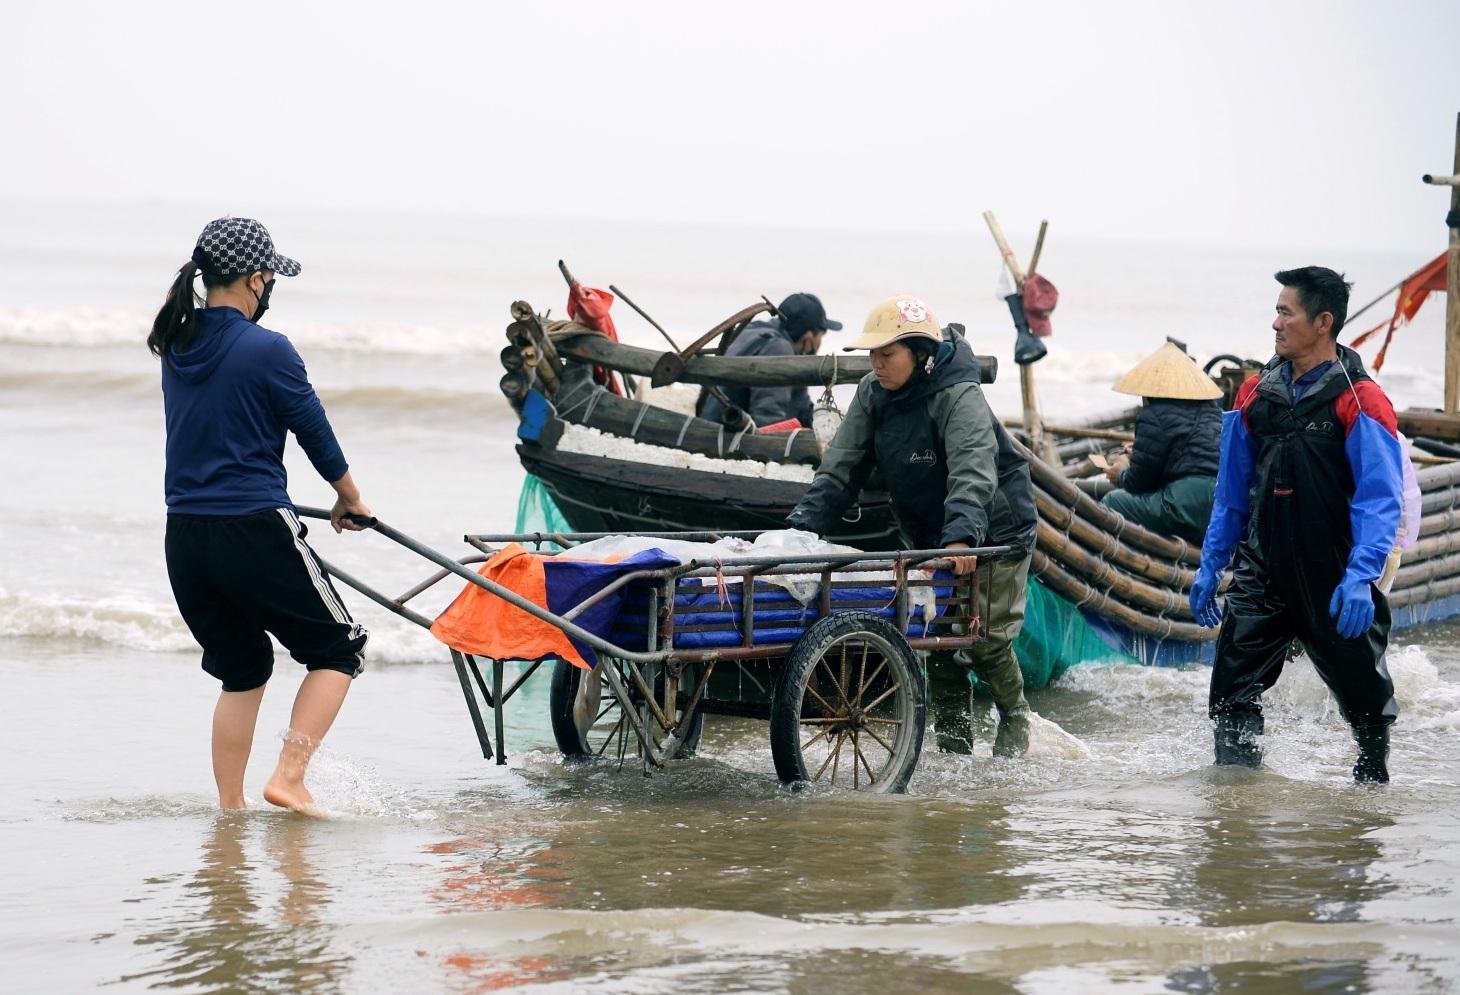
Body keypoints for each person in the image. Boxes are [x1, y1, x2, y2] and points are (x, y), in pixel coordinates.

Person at [149, 217, 373, 814]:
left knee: (243, 670)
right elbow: (314, 433)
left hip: (186, 537)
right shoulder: (269, 349)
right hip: (253, 526)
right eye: (270, 278)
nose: (270, 289)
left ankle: (231, 809)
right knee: (338, 648)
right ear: (254, 280)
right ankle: (289, 778)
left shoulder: (178, 343)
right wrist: (350, 499)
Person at [787, 295, 1038, 757]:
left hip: (994, 529)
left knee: (984, 640)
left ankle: (1015, 716)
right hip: (926, 529)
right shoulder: (871, 393)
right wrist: (799, 531)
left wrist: (962, 535)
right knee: (936, 640)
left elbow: (972, 471)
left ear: (920, 354)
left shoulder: (957, 393)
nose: (876, 364)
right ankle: (954, 747)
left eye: (887, 355)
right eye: (871, 355)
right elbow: (840, 469)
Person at [1189, 266, 1404, 783]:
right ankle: (1239, 810)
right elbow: (1231, 493)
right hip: (1262, 569)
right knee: (1232, 692)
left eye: (1286, 312)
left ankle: (1369, 791)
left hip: (1333, 571)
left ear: (1323, 322)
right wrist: (1211, 564)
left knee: (1364, 697)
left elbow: (1379, 499)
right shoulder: (1253, 395)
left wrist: (1360, 577)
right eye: (1276, 311)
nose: (1275, 323)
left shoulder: (1361, 401)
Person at [1100, 341, 1223, 544]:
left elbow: (1138, 483)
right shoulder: (1214, 412)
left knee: (1113, 501)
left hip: (1185, 504)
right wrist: (1139, 453)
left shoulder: (1153, 414)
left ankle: (1122, 565)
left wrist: (1120, 474)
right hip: (1222, 505)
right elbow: (1190, 456)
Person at [699, 292, 842, 428]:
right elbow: (768, 418)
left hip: (708, 419)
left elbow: (800, 403)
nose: (820, 342)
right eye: (821, 335)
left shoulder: (752, 330)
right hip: (728, 430)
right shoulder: (778, 349)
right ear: (809, 337)